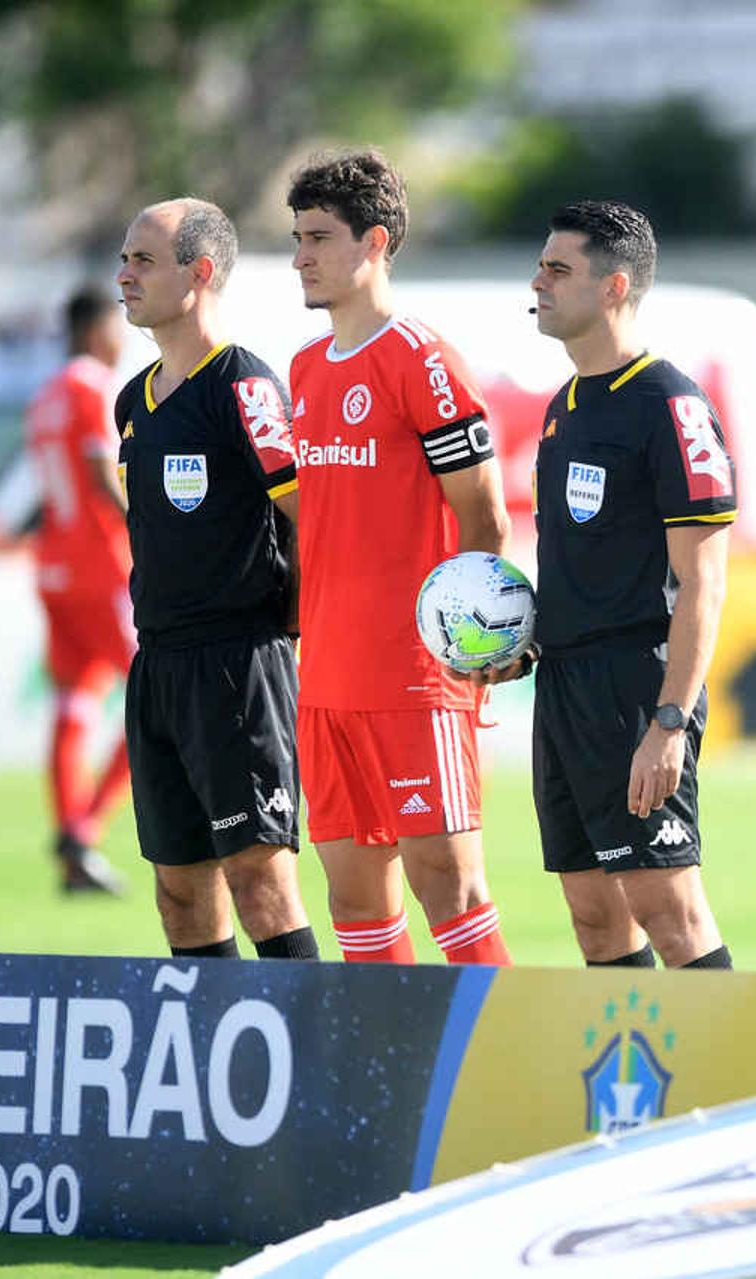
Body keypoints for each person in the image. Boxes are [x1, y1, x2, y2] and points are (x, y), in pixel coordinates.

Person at [477, 199, 733, 971]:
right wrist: (521, 649)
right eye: (541, 265)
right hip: (565, 687)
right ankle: (640, 1095)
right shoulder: (565, 407)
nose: (538, 281)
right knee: (595, 917)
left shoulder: (670, 404)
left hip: (637, 685)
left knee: (667, 907)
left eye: (559, 269)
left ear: (615, 286)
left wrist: (669, 721)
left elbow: (703, 582)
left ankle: (728, 1090)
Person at [283, 150, 514, 967]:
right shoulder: (305, 369)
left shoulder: (423, 360)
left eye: (318, 238)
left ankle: (496, 1081)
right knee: (354, 901)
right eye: (298, 237)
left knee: (450, 889)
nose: (301, 256)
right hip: (327, 685)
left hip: (414, 680)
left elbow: (485, 521)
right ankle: (400, 1082)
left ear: (374, 242)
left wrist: (475, 644)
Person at [113, 197, 319, 961]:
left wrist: (296, 635)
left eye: (143, 260)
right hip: (159, 664)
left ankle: (312, 1065)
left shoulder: (245, 387)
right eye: (125, 258)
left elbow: (309, 519)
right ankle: (218, 1075)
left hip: (240, 662)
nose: (123, 275)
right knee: (178, 893)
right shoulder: (132, 401)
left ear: (199, 273)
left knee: (261, 882)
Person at [24, 284, 132, 895]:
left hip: (54, 568)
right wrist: (148, 530)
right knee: (157, 698)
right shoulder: (92, 386)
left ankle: (73, 846)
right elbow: (97, 472)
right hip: (99, 567)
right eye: (117, 327)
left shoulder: (42, 397)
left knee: (73, 706)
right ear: (96, 330)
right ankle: (84, 828)